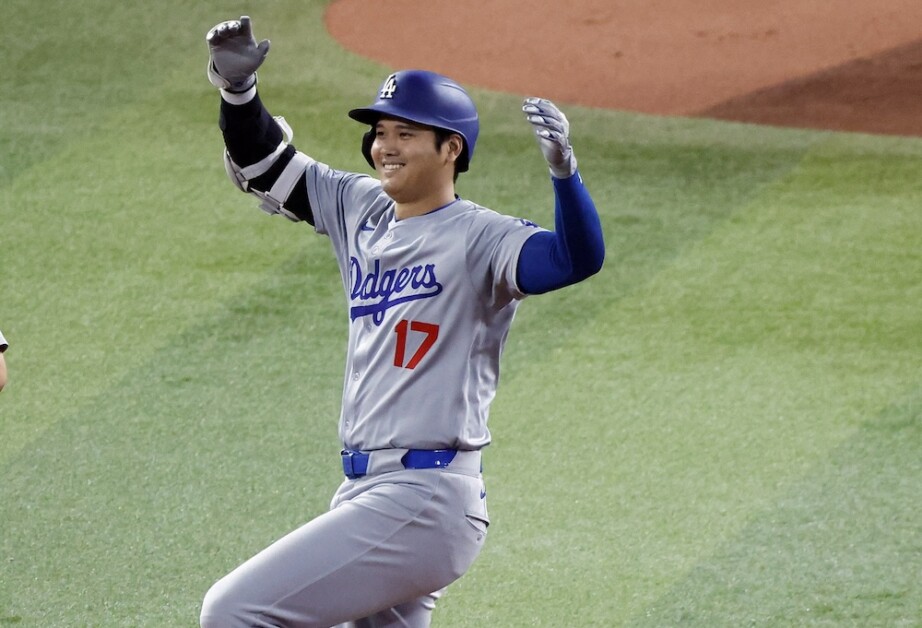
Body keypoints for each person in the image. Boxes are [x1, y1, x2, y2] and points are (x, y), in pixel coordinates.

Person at [200, 15, 605, 628]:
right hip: (369, 493)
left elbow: (576, 258)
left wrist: (563, 173)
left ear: (451, 149)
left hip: (426, 498)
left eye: (405, 133)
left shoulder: (480, 238)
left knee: (232, 612)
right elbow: (264, 164)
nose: (384, 146)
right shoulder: (357, 207)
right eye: (380, 132)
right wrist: (239, 93)